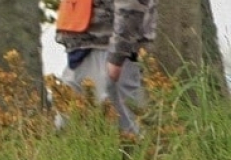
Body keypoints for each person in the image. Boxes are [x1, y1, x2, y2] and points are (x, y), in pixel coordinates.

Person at [54, 0, 158, 137]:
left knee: (126, 136)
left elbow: (131, 3)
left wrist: (118, 55)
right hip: (80, 52)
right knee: (67, 135)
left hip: (109, 52)